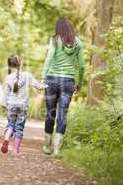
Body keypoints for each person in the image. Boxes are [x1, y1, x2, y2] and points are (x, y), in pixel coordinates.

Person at [42, 17, 85, 156]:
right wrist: (79, 83)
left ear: (58, 28)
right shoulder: (78, 43)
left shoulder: (55, 40)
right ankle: (57, 150)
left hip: (52, 80)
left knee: (50, 112)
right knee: (62, 113)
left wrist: (43, 78)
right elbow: (82, 66)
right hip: (68, 82)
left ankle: (47, 146)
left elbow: (49, 59)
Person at [1, 54, 47, 154]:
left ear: (9, 66)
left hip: (11, 105)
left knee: (10, 125)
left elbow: (5, 94)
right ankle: (15, 149)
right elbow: (38, 86)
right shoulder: (28, 75)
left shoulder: (8, 77)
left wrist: (4, 105)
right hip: (22, 106)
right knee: (19, 128)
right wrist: (47, 85)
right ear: (20, 64)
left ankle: (7, 138)